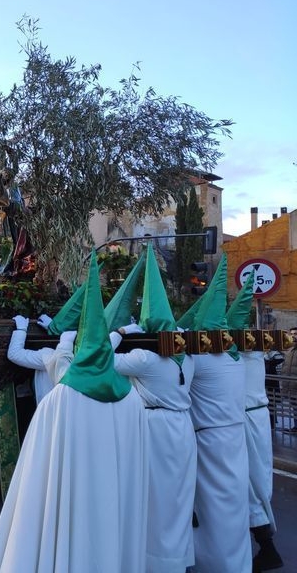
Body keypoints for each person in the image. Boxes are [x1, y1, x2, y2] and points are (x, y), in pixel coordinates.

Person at [0, 251, 147, 573]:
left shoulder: (58, 394)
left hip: (66, 475)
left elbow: (36, 476)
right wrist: (122, 332)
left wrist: (21, 328)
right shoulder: (132, 400)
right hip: (111, 500)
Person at [110, 243, 197, 572]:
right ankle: (179, 560)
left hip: (155, 430)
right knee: (178, 499)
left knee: (154, 500)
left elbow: (98, 358)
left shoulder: (144, 359)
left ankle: (155, 564)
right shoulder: (188, 358)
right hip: (183, 428)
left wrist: (121, 332)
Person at [176, 253, 251, 572]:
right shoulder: (237, 360)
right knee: (234, 504)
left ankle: (213, 565)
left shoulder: (201, 361)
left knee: (212, 507)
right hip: (236, 438)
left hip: (210, 443)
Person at [226, 274, 284, 572]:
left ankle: (266, 546)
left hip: (247, 417)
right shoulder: (254, 349)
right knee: (257, 480)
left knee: (248, 482)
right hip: (256, 415)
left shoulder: (241, 351)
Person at [282, 327, 297, 433]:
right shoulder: (289, 349)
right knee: (295, 408)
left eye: (295, 334)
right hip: (290, 386)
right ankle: (296, 427)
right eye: (291, 334)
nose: (293, 336)